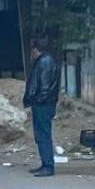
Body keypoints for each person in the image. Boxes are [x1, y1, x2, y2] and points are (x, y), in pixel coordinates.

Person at [23, 38, 60, 177]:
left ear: (35, 49)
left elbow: (44, 87)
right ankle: (45, 164)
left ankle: (48, 166)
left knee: (43, 135)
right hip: (44, 103)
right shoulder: (45, 61)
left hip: (43, 105)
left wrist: (36, 100)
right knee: (42, 135)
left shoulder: (44, 62)